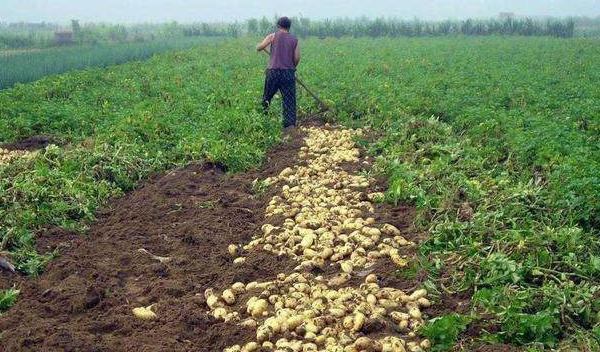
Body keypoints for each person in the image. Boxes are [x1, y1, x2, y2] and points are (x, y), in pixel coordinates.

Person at [256, 17, 301, 128]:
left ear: (278, 26)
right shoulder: (294, 40)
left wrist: (259, 46)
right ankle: (289, 126)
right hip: (288, 73)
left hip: (273, 72)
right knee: (289, 99)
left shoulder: (272, 36)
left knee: (267, 97)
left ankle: (263, 120)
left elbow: (259, 47)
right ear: (289, 27)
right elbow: (297, 58)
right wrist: (291, 68)